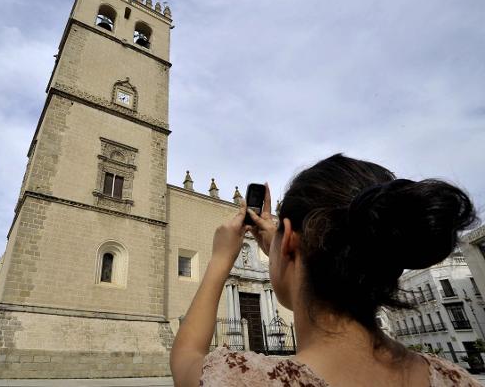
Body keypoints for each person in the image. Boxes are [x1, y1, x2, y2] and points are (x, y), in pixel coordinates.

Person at [170, 154, 480, 386]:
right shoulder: (455, 378)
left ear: (289, 241)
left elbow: (185, 357)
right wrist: (284, 249)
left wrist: (221, 259)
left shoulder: (245, 378)